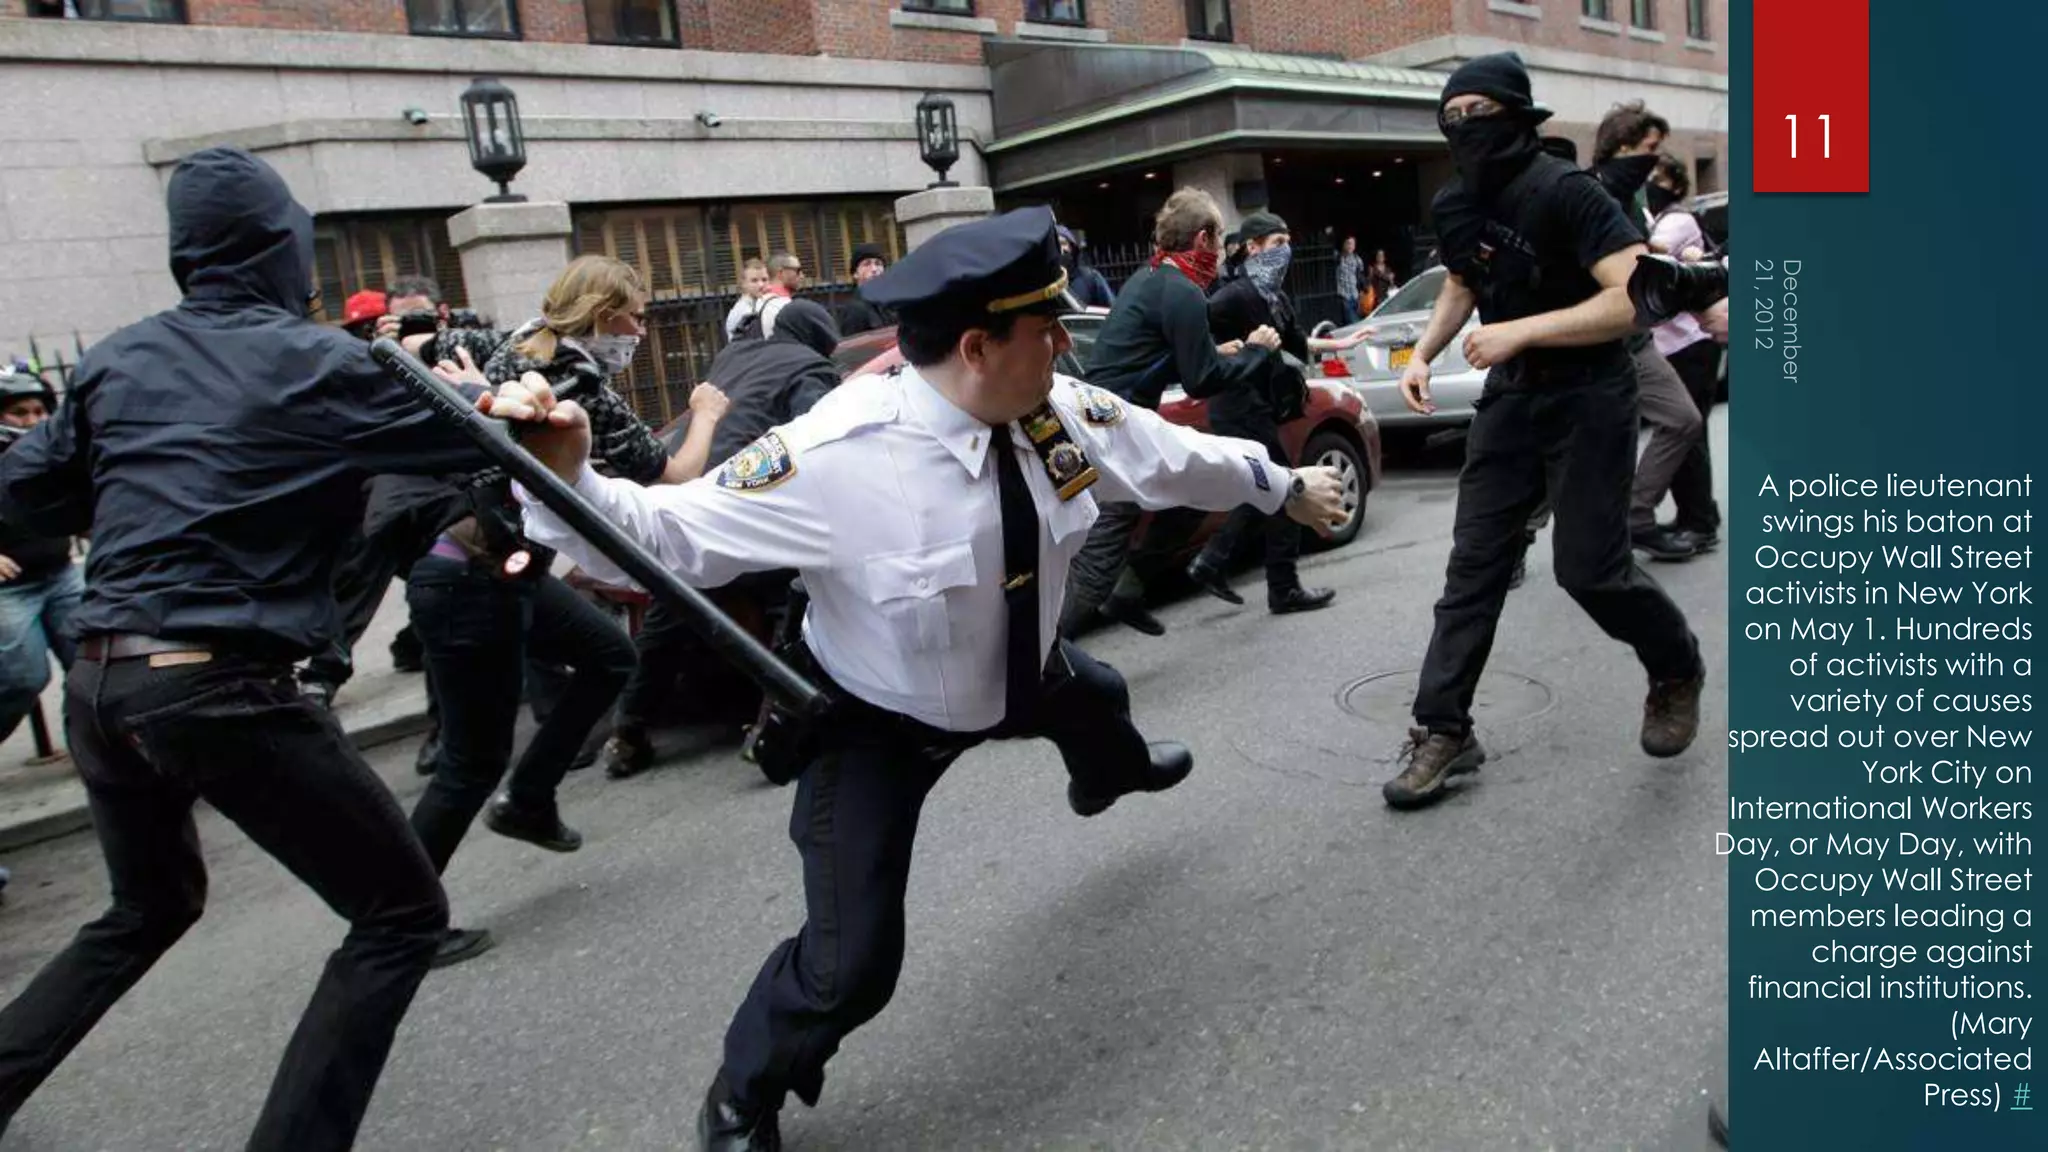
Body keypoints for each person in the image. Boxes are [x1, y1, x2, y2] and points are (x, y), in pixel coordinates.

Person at [490, 206, 1347, 1151]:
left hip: (1021, 670)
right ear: (978, 347)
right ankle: (743, 1093)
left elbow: (1174, 455)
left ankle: (1106, 771)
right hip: (877, 715)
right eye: (1047, 329)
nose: (1066, 344)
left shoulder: (1055, 411)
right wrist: (564, 479)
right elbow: (669, 535)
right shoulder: (837, 454)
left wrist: (1283, 485)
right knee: (850, 965)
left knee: (1096, 701)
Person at [0, 146, 493, 1149]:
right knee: (400, 915)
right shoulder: (319, 360)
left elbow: (22, 492)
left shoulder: (117, 358)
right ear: (284, 251)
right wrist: (481, 388)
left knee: (147, 907)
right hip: (215, 682)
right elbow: (466, 443)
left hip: (101, 679)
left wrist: (156, 475)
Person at [1383, 54, 1704, 810]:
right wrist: (1421, 355)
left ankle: (1675, 665)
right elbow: (1464, 281)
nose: (1463, 127)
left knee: (1590, 571)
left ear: (1518, 117)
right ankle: (1444, 728)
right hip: (1511, 401)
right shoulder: (1456, 205)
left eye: (1478, 113)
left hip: (1591, 391)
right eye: (1450, 116)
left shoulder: (1569, 192)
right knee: (1474, 569)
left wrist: (1522, 331)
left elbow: (1636, 300)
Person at [398, 255, 721, 967]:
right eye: (635, 316)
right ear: (604, 314)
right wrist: (704, 414)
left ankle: (531, 798)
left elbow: (440, 356)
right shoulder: (578, 385)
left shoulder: (512, 346)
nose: (640, 330)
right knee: (468, 761)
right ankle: (402, 924)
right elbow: (672, 472)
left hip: (494, 569)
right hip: (467, 578)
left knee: (612, 654)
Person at [604, 299, 844, 779]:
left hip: (690, 493)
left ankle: (627, 732)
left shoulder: (733, 355)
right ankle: (772, 731)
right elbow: (817, 437)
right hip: (748, 500)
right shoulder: (810, 367)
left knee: (674, 610)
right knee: (791, 604)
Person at [1060, 188, 1282, 638]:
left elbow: (1158, 355)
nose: (1221, 252)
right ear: (1202, 239)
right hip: (1110, 429)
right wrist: (1256, 352)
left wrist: (1214, 350)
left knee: (1197, 488)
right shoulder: (1182, 290)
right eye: (1219, 241)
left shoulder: (1156, 277)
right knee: (1097, 563)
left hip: (1114, 418)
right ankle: (1036, 667)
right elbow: (1201, 379)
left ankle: (1130, 587)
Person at [1190, 210, 1369, 614]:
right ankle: (1278, 585)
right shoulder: (1232, 296)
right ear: (1252, 248)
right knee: (1287, 486)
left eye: (1288, 244)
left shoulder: (1277, 297)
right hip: (1236, 407)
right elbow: (1190, 333)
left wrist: (1344, 343)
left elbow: (1297, 343)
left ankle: (1215, 562)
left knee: (1266, 488)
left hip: (1258, 407)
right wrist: (1218, 351)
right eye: (1275, 244)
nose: (1284, 252)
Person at [1588, 102, 1706, 563]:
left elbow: (1639, 249)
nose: (1655, 162)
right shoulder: (1588, 193)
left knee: (1682, 420)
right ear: (1621, 147)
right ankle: (1513, 542)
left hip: (1635, 339)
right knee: (1570, 449)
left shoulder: (1630, 197)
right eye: (1649, 150)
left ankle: (1635, 518)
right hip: (1602, 342)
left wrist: (1675, 261)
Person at [1646, 154, 1722, 553]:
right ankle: (1693, 513)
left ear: (1675, 185)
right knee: (1678, 432)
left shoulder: (1677, 220)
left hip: (1691, 344)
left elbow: (1653, 249)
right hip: (1672, 345)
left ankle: (1701, 523)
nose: (1650, 184)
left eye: (1657, 178)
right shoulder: (1656, 217)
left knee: (1688, 434)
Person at [0, 370, 79, 750]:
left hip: (61, 574)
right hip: (9, 590)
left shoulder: (52, 455)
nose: (32, 421)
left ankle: (94, 748)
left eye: (38, 411)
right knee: (22, 677)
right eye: (19, 412)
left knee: (90, 667)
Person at [833, 243, 894, 336]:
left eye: (878, 264)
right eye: (867, 264)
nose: (874, 269)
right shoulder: (855, 310)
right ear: (855, 273)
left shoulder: (890, 305)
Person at [1057, 225, 1115, 308]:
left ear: (1072, 247)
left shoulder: (1090, 278)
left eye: (1063, 243)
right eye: (1055, 245)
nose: (1060, 250)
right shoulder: (1043, 285)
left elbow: (1112, 310)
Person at [725, 258, 773, 342]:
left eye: (764, 280)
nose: (761, 285)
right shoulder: (743, 311)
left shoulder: (761, 305)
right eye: (754, 281)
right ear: (743, 284)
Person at [1335, 235, 1365, 324]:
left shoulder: (1357, 259)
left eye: (1352, 244)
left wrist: (1361, 291)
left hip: (1355, 295)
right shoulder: (1338, 257)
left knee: (1354, 320)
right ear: (1343, 244)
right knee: (1351, 321)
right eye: (1348, 243)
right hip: (1343, 294)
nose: (1350, 246)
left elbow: (1360, 276)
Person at [1366, 248, 1399, 315]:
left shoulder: (1388, 269)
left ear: (1384, 257)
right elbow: (1368, 283)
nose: (1380, 257)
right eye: (1378, 255)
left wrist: (1391, 279)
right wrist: (1370, 276)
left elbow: (1392, 285)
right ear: (1375, 256)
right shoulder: (1372, 268)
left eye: (1382, 255)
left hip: (1386, 297)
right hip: (1375, 298)